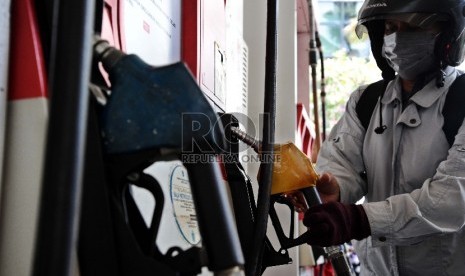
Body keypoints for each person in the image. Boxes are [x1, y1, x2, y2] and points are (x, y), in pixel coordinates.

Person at [301, 0, 465, 275]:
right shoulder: (366, 101)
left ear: (448, 34)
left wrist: (362, 219)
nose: (397, 38)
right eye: (390, 27)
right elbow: (342, 163)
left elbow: (453, 199)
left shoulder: (461, 100)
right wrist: (335, 189)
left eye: (412, 27)